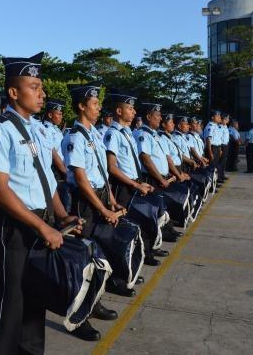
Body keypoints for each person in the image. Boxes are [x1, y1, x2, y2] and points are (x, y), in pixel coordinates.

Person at [0, 52, 80, 355]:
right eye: (35, 86)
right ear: (14, 92)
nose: (42, 93)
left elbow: (44, 179)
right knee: (11, 301)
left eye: (41, 87)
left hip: (44, 222)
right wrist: (41, 227)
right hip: (17, 226)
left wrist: (61, 217)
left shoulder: (37, 128)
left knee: (36, 296)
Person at [61, 82, 124, 341]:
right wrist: (101, 208)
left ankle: (94, 302)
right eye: (95, 104)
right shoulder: (75, 137)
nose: (99, 108)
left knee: (99, 256)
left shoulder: (95, 134)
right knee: (83, 260)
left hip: (99, 198)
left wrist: (111, 200)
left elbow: (101, 173)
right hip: (84, 203)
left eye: (98, 104)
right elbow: (82, 178)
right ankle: (78, 317)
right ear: (81, 106)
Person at [104, 92, 166, 267]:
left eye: (133, 108)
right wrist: (135, 184)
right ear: (118, 110)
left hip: (134, 183)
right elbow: (112, 167)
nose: (133, 111)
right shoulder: (113, 134)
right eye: (129, 108)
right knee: (124, 228)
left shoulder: (128, 133)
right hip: (122, 187)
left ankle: (142, 255)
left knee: (139, 222)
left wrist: (139, 182)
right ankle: (123, 265)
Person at [134, 103, 182, 242]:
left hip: (158, 178)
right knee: (152, 213)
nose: (160, 119)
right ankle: (151, 245)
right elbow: (145, 158)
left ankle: (160, 237)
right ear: (148, 117)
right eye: (157, 116)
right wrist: (160, 179)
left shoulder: (153, 135)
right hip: (151, 178)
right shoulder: (143, 134)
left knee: (160, 210)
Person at [42, 98, 71, 211]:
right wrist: (65, 172)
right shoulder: (46, 130)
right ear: (50, 114)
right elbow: (54, 155)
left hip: (63, 172)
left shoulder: (56, 130)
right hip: (57, 173)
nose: (61, 116)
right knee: (61, 207)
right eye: (58, 114)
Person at [203, 110, 223, 182]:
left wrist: (220, 149)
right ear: (212, 117)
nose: (219, 118)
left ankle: (214, 183)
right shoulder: (210, 126)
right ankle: (210, 185)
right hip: (212, 148)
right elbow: (208, 139)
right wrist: (210, 152)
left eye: (219, 116)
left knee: (215, 166)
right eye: (217, 116)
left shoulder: (216, 126)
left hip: (216, 148)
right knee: (211, 167)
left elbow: (218, 139)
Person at [218, 113, 230, 181]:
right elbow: (219, 138)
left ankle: (222, 175)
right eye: (227, 119)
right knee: (221, 162)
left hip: (226, 145)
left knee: (224, 161)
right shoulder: (220, 127)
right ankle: (219, 177)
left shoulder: (225, 126)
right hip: (222, 145)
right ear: (223, 119)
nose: (228, 120)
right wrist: (220, 149)